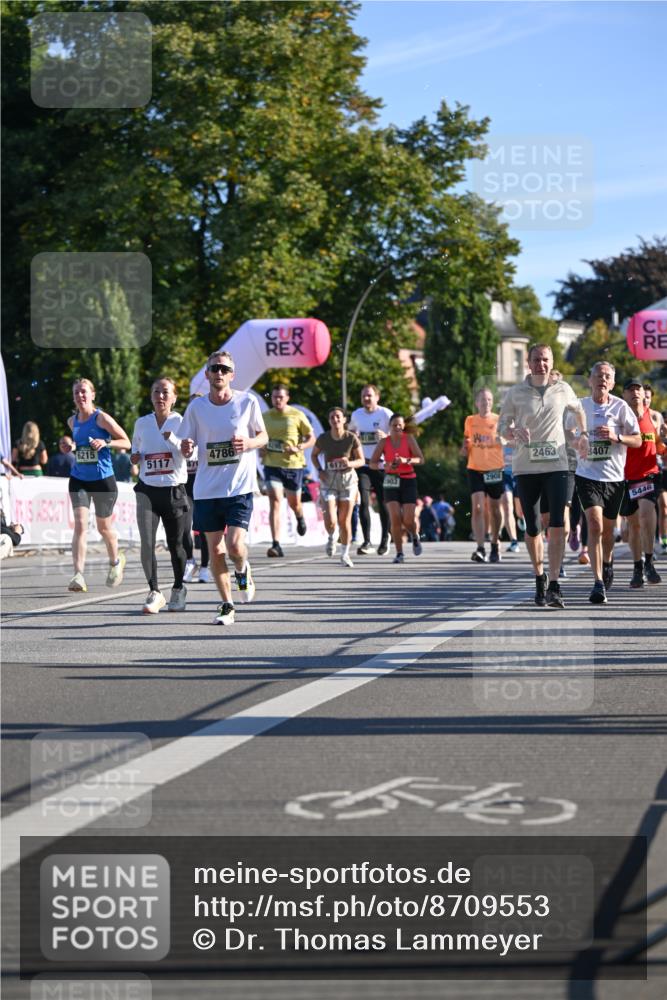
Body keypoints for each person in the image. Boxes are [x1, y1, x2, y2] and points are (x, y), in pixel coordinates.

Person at [179, 351, 267, 625]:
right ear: (206, 374)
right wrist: (186, 446)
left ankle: (242, 570)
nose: (218, 372)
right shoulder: (196, 408)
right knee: (215, 550)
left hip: (239, 487)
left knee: (234, 546)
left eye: (223, 368)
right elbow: (185, 443)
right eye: (213, 368)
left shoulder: (247, 402)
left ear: (232, 374)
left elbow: (263, 436)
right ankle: (227, 604)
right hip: (207, 489)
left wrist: (248, 444)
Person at [498, 343, 587, 609]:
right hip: (526, 467)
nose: (541, 364)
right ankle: (540, 577)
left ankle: (556, 584)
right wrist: (513, 433)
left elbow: (578, 410)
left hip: (557, 465)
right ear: (528, 362)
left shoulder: (563, 388)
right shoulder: (515, 393)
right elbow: (502, 426)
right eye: (536, 359)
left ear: (551, 361)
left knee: (558, 523)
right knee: (534, 526)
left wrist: (582, 433)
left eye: (545, 359)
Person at [574, 362, 641, 604]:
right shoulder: (580, 407)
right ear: (589, 380)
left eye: (607, 376)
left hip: (614, 478)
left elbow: (638, 440)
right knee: (594, 525)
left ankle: (608, 560)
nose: (602, 379)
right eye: (598, 375)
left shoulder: (621, 407)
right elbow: (567, 435)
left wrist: (616, 436)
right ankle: (598, 582)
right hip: (587, 476)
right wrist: (578, 443)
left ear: (612, 383)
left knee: (608, 532)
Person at [131, 377, 190, 614]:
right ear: (151, 396)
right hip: (147, 490)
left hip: (173, 489)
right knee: (146, 543)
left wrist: (173, 440)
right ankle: (154, 591)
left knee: (175, 545)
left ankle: (178, 588)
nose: (161, 396)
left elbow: (189, 455)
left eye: (166, 392)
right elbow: (136, 449)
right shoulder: (142, 423)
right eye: (156, 391)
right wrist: (134, 457)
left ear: (174, 397)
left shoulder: (181, 422)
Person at [66, 378, 130, 592]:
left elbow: (127, 441)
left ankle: (115, 561)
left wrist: (106, 442)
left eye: (84, 392)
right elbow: (78, 446)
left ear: (92, 395)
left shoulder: (101, 418)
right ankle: (78, 575)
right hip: (79, 479)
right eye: (76, 393)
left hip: (103, 480)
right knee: (80, 525)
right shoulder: (72, 421)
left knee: (104, 528)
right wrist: (70, 446)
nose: (80, 396)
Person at [261, 383, 315, 557]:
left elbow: (311, 438)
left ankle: (299, 516)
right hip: (272, 464)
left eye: (281, 397)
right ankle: (276, 544)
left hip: (293, 465)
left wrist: (300, 447)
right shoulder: (265, 416)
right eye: (275, 397)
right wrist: (261, 447)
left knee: (294, 503)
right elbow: (259, 437)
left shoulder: (297, 415)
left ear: (287, 398)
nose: (277, 400)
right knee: (275, 500)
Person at [311, 408, 364, 567]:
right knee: (331, 521)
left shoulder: (351, 438)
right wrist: (319, 470)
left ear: (344, 420)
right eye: (332, 417)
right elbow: (314, 455)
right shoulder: (324, 438)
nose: (335, 419)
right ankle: (331, 537)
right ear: (329, 421)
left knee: (344, 520)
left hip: (348, 480)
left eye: (338, 417)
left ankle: (345, 554)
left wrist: (350, 463)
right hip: (329, 479)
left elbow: (361, 460)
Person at [621, 377, 662, 587]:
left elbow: (660, 447)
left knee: (647, 515)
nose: (635, 392)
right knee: (633, 526)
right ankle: (638, 567)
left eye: (638, 389)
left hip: (649, 474)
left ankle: (649, 561)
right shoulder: (620, 416)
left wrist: (663, 442)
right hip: (626, 477)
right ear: (624, 395)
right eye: (631, 389)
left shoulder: (653, 417)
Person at [370, 412, 424, 564]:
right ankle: (399, 553)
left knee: (407, 519)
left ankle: (414, 535)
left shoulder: (409, 439)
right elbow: (372, 463)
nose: (397, 428)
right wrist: (384, 465)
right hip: (391, 480)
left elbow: (421, 459)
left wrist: (406, 460)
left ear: (404, 426)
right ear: (389, 427)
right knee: (394, 517)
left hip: (408, 479)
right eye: (394, 425)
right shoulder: (384, 442)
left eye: (400, 425)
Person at [348, 384, 393, 555]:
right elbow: (350, 433)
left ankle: (384, 539)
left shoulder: (385, 414)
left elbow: (400, 435)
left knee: (383, 502)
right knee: (364, 502)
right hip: (364, 464)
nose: (366, 399)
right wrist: (353, 436)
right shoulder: (357, 414)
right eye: (364, 396)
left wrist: (387, 437)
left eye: (369, 395)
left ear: (377, 397)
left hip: (381, 464)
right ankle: (367, 541)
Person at [461, 388, 504, 563]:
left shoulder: (499, 420)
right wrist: (465, 447)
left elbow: (510, 440)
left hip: (494, 469)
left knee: (494, 509)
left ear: (492, 402)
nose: (486, 403)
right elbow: (465, 448)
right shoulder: (470, 421)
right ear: (476, 403)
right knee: (478, 508)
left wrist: (505, 441)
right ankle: (480, 548)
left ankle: (495, 543)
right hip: (475, 468)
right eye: (482, 400)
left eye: (489, 400)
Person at [500, 443, 521, 552]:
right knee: (507, 506)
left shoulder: (522, 425)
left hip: (520, 472)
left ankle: (523, 520)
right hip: (504, 472)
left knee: (520, 512)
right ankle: (514, 541)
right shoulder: (498, 426)